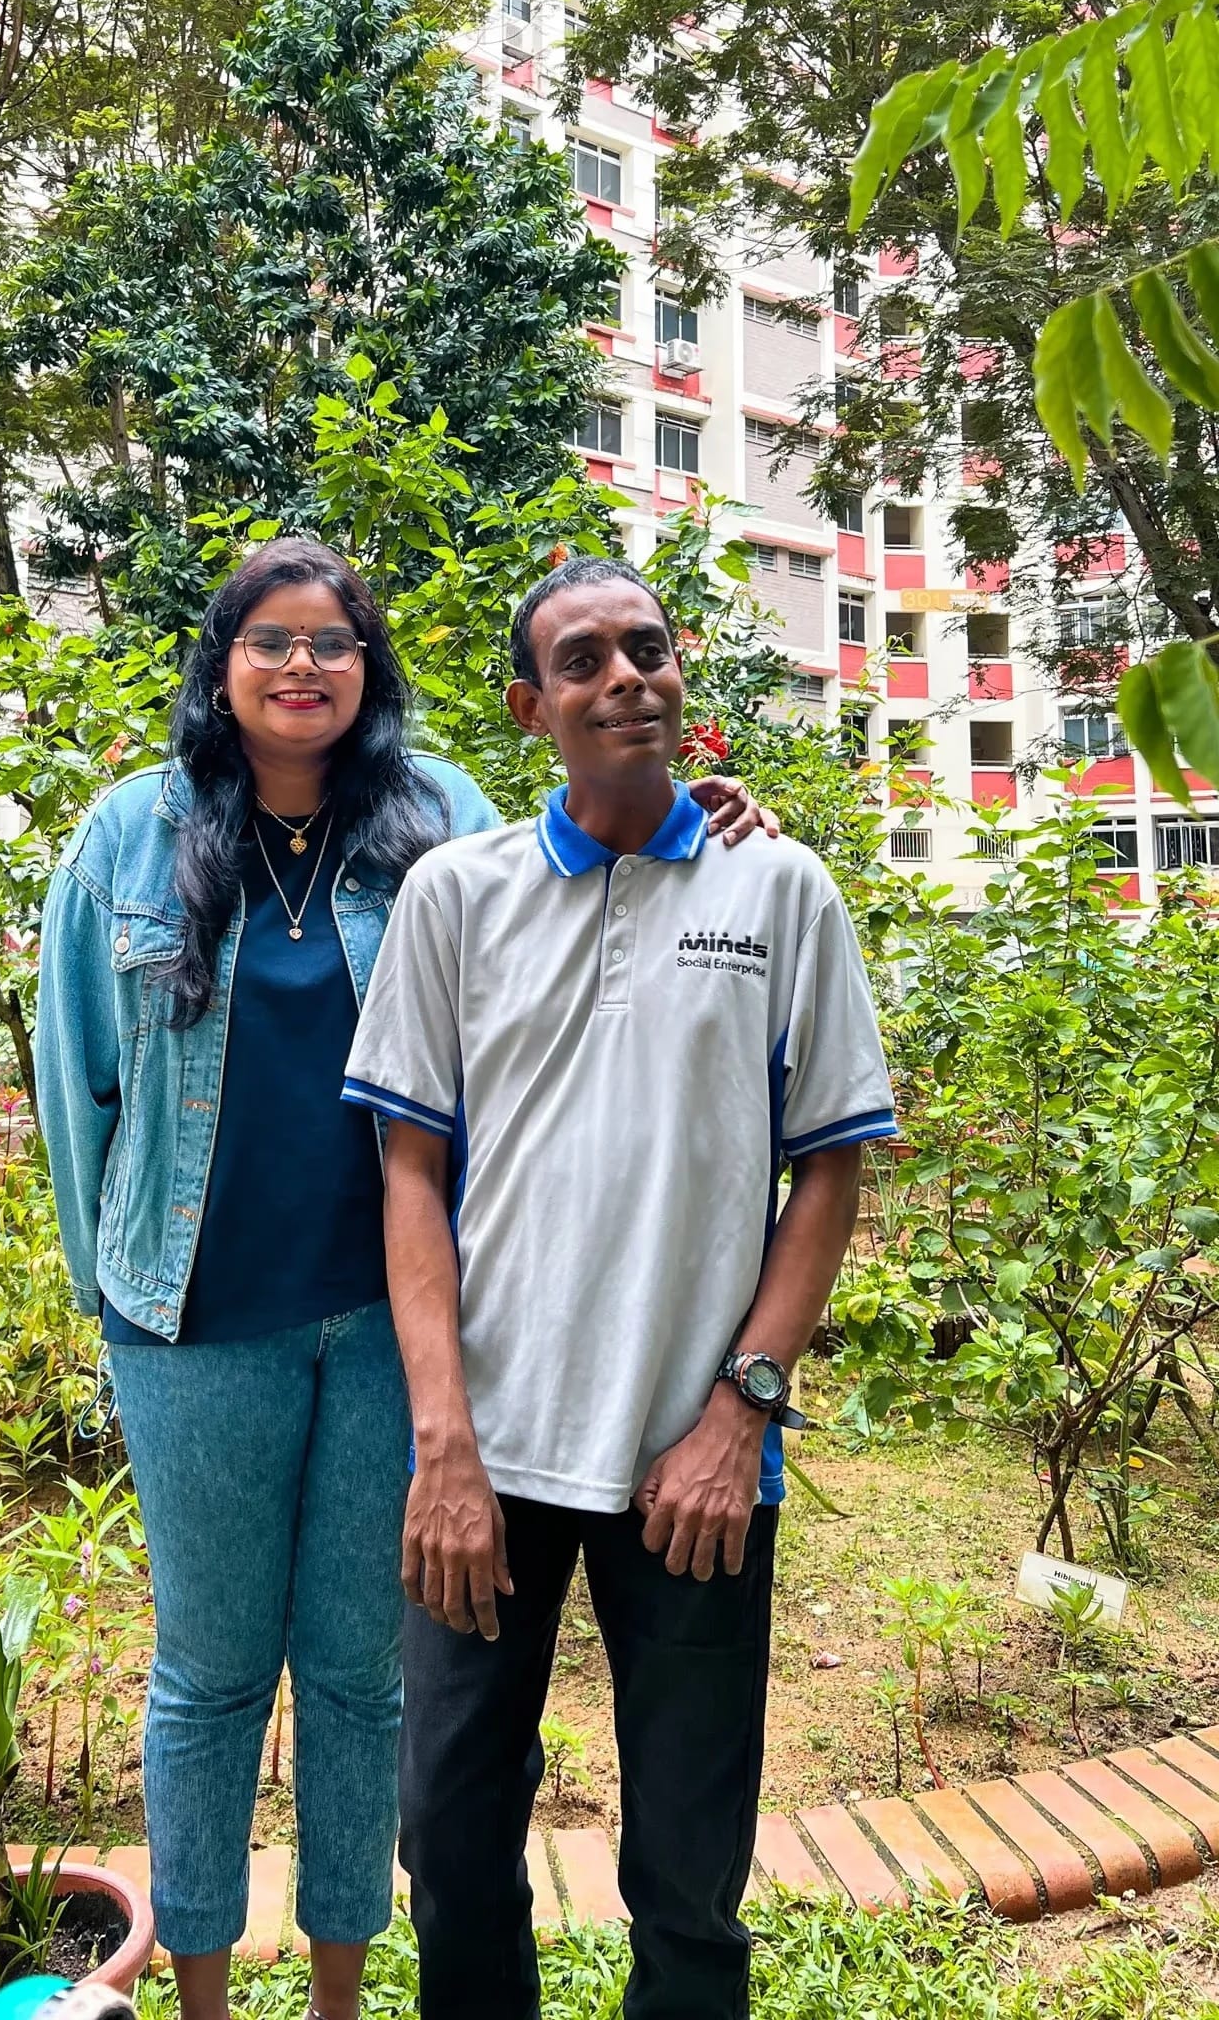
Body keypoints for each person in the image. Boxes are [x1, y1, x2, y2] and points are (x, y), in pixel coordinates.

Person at [33, 537, 776, 2020]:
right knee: (211, 1674)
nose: (303, 666)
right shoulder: (127, 837)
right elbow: (79, 1087)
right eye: (271, 641)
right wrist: (113, 1286)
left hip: (399, 1327)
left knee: (367, 1679)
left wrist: (706, 811)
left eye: (334, 642)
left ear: (369, 671)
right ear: (223, 664)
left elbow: (592, 882)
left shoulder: (441, 817)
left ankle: (338, 1999)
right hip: (191, 1328)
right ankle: (200, 1999)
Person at [342, 555, 897, 2020]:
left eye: (645, 649)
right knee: (451, 1838)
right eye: (581, 663)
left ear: (681, 666)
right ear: (532, 708)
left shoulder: (781, 888)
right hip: (491, 1460)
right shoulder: (456, 897)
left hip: (695, 1466)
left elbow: (828, 1174)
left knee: (691, 1864)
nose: (623, 679)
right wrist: (442, 1446)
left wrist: (741, 1420)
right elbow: (409, 1177)